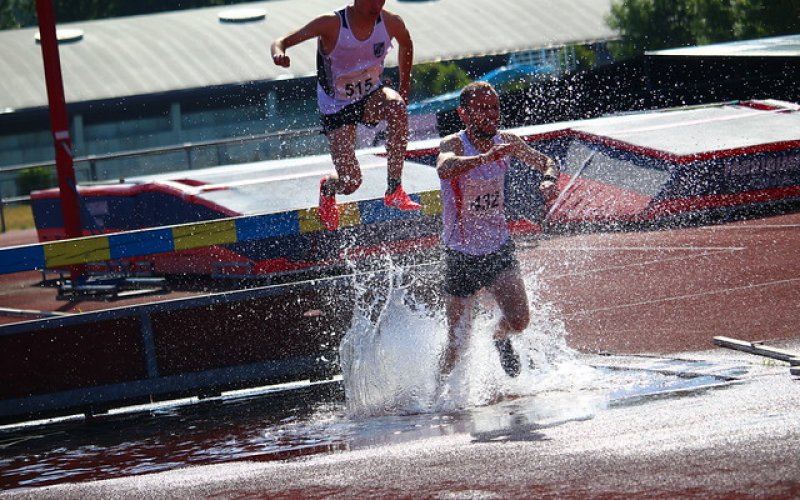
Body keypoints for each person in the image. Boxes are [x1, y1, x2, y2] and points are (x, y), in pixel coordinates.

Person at [436, 81, 559, 381]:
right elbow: (444, 168)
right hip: (461, 254)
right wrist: (484, 158)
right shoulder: (452, 144)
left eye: (494, 108)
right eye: (482, 109)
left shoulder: (508, 141)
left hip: (498, 247)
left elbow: (546, 161)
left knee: (518, 321)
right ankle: (432, 394)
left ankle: (499, 337)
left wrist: (549, 179)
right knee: (457, 344)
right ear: (464, 114)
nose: (491, 115)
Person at [270, 0, 421, 231]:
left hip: (370, 95)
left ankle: (394, 187)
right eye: (372, 1)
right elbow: (281, 41)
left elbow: (407, 43)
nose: (377, 6)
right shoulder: (331, 23)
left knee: (397, 107)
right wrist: (279, 53)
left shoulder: (391, 21)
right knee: (351, 182)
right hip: (336, 106)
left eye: (381, 0)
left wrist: (405, 88)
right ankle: (328, 188)